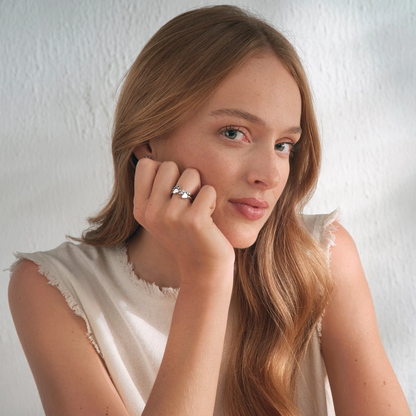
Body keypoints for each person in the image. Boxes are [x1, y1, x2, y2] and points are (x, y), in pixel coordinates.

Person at [8, 5, 410, 416]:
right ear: (148, 138)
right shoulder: (53, 288)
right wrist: (207, 277)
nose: (269, 175)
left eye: (283, 145)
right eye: (234, 133)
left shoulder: (322, 259)